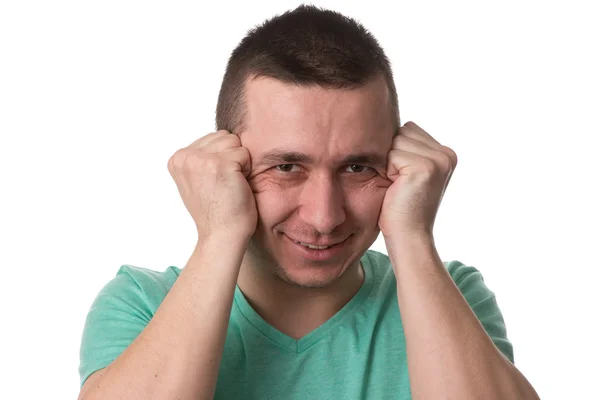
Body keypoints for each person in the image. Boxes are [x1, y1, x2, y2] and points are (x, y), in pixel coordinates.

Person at [77, 4, 539, 399]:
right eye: (286, 167)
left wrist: (413, 237)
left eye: (358, 167)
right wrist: (219, 234)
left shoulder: (449, 294)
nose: (324, 217)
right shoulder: (142, 303)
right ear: (224, 167)